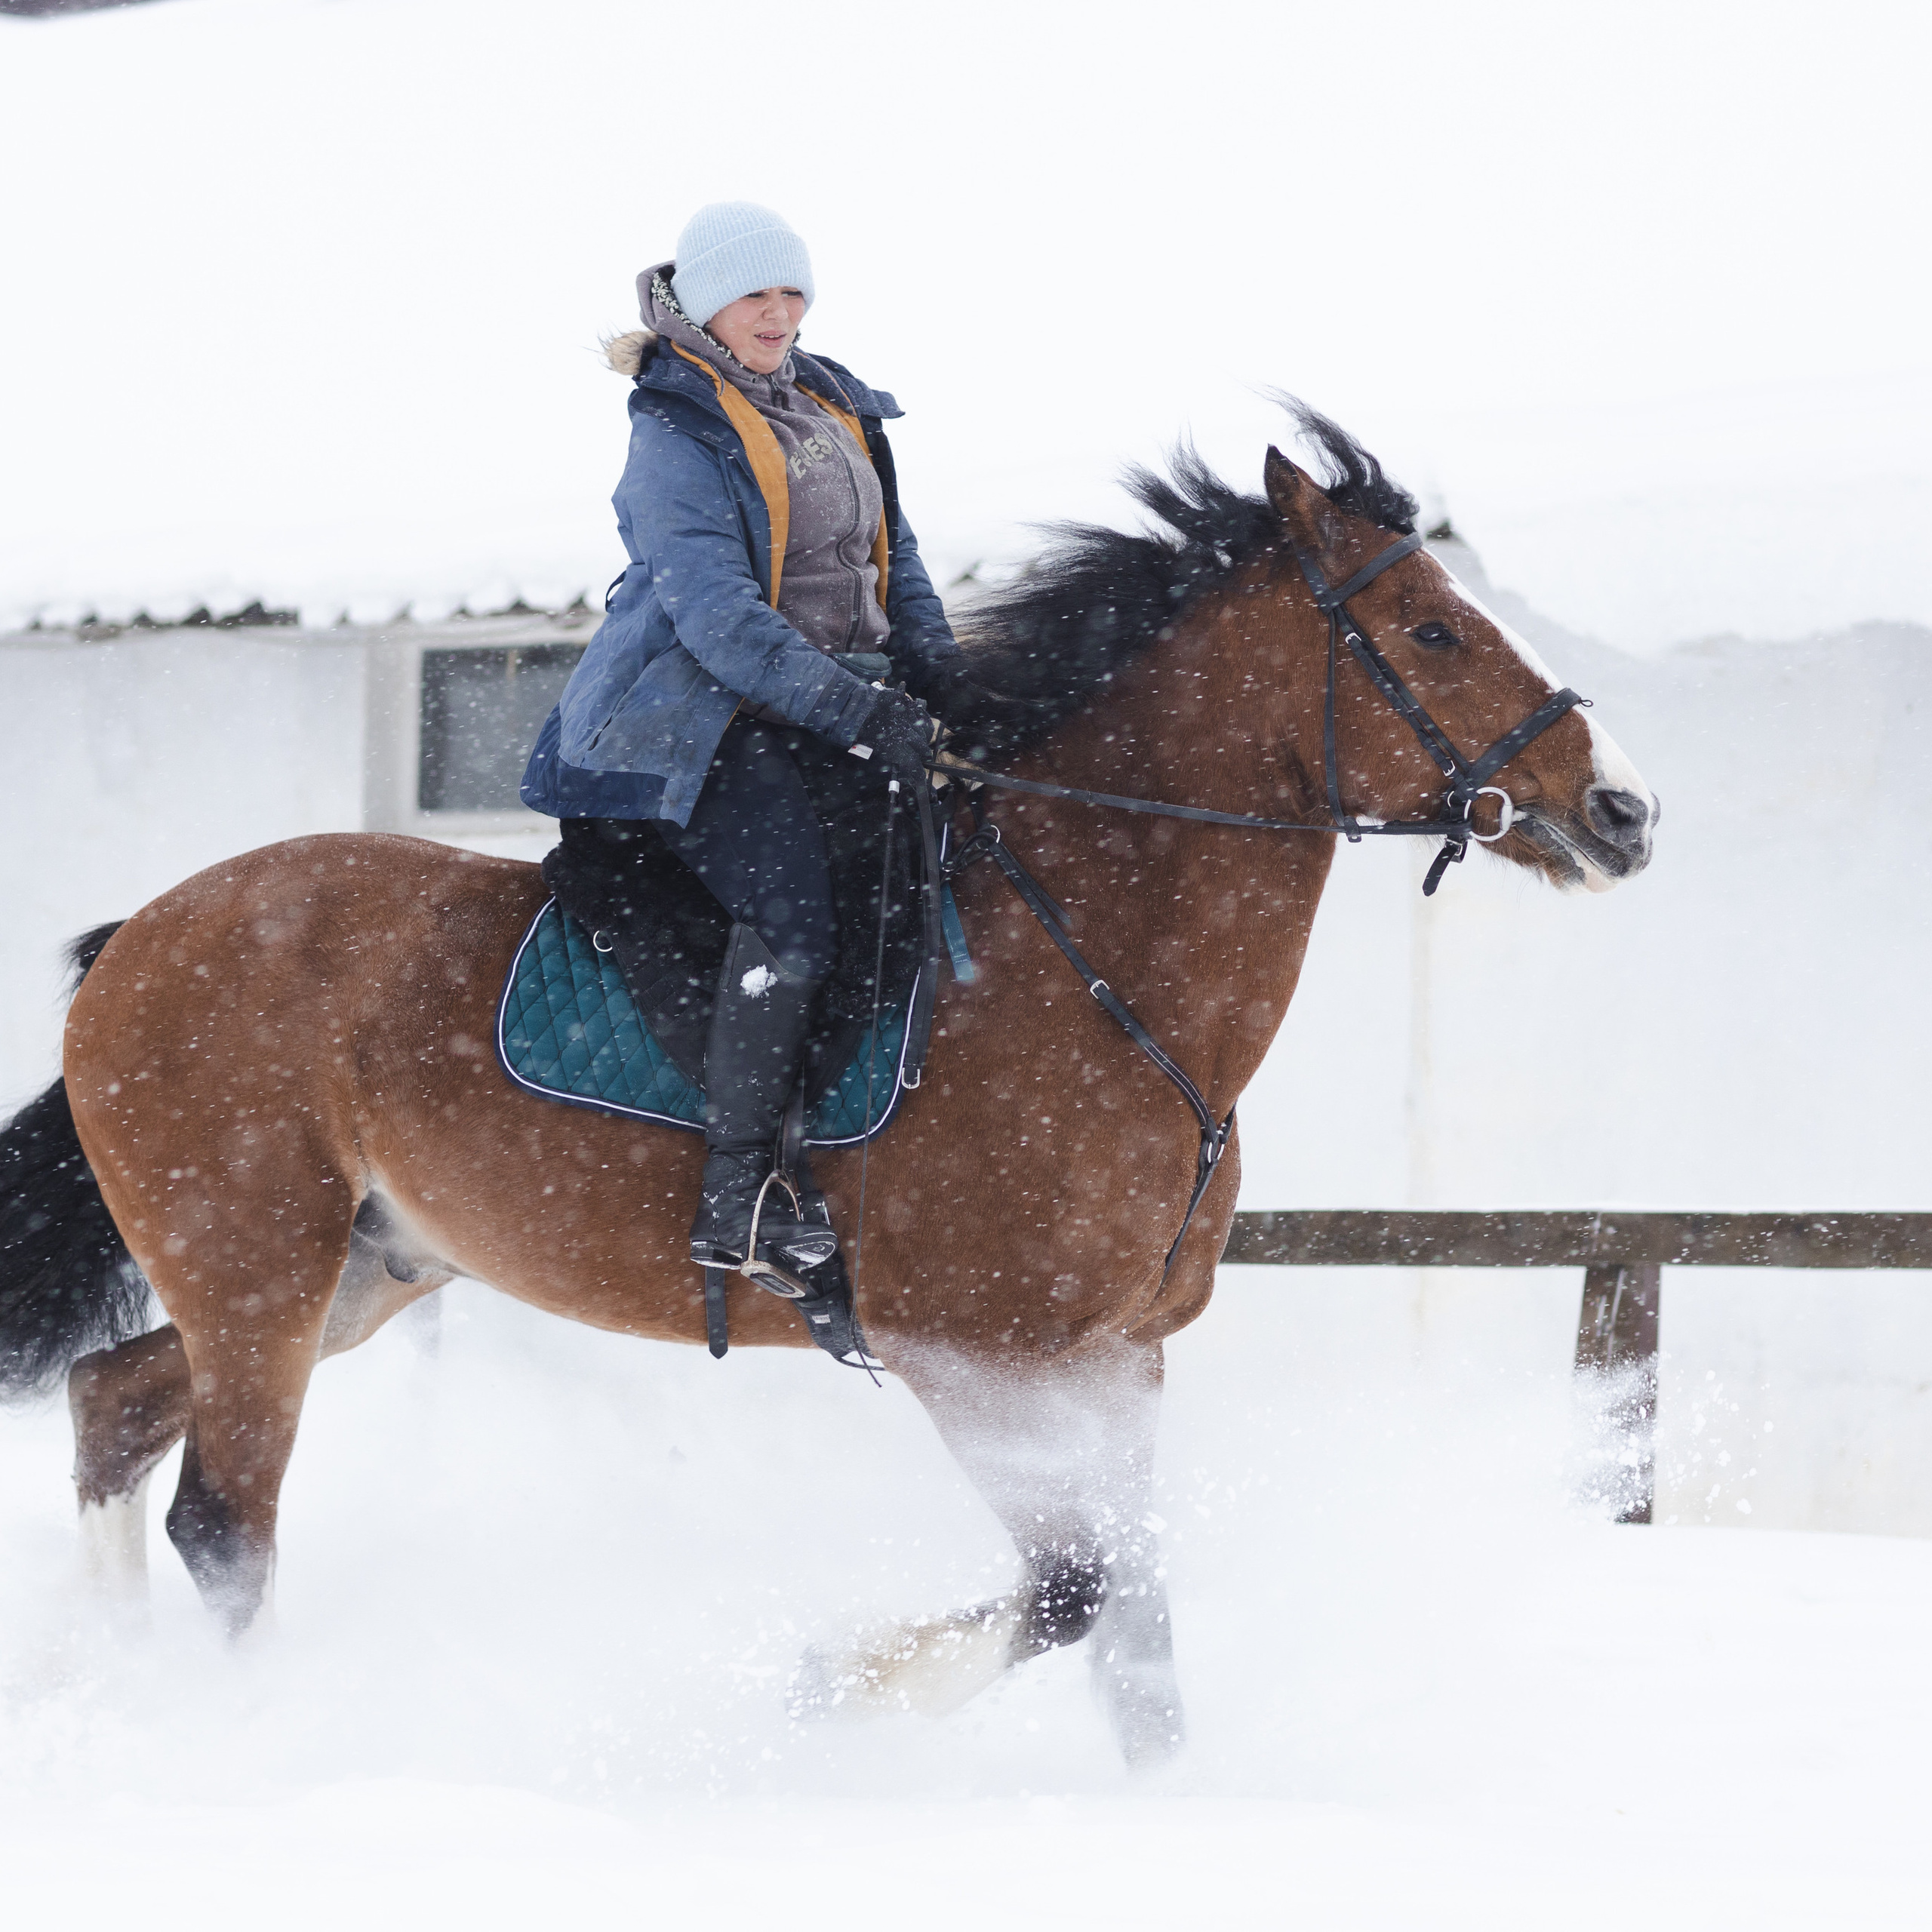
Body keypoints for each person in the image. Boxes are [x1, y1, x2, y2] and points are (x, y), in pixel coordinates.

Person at [521, 202, 963, 1341]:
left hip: (818, 707)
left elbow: (895, 565)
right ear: (709, 304)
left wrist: (948, 691)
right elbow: (717, 618)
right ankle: (744, 1198)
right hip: (689, 719)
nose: (781, 313)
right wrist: (860, 708)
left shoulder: (831, 404)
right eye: (758, 295)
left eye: (795, 294)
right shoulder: (674, 428)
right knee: (797, 919)